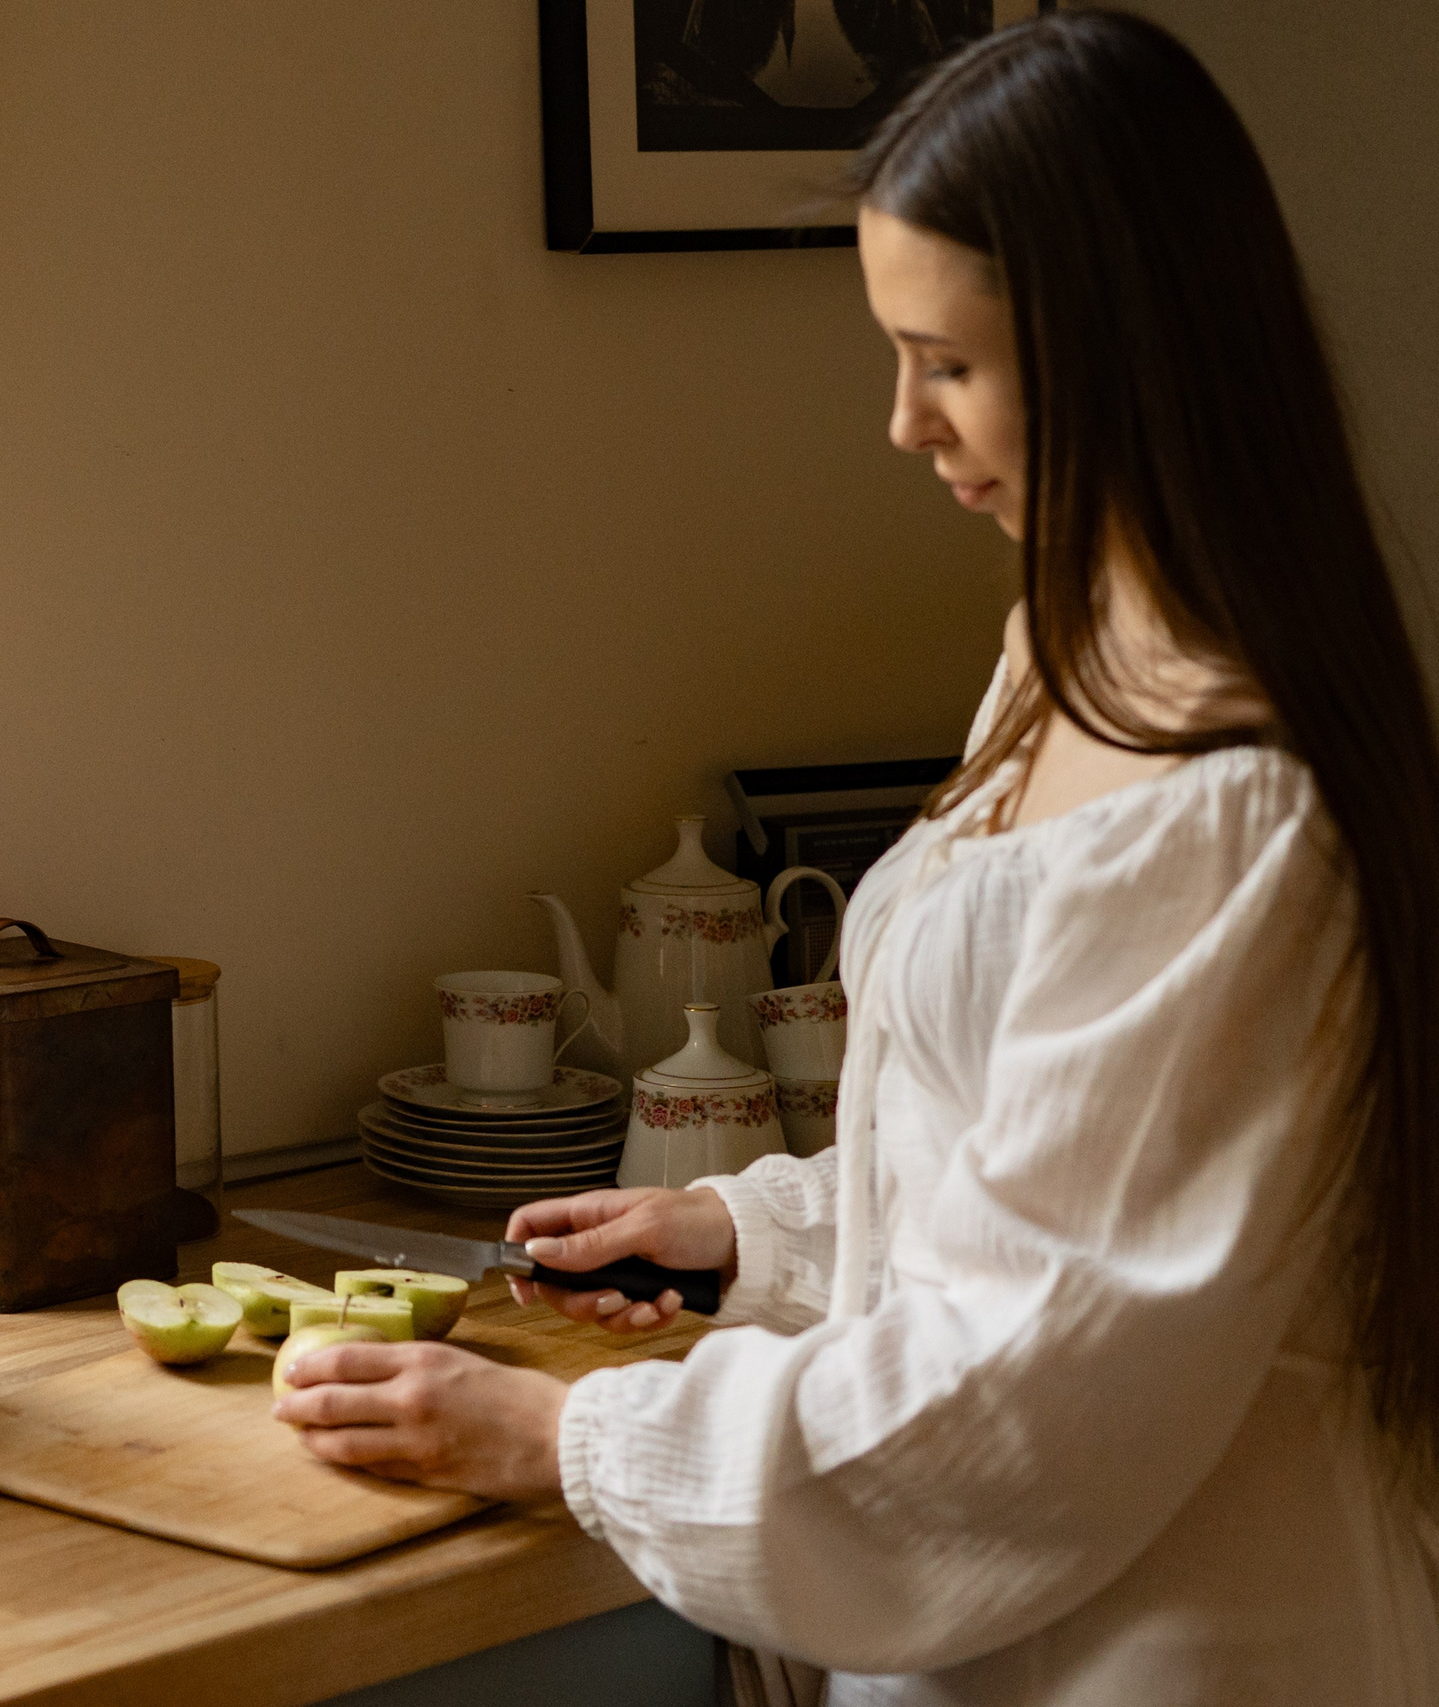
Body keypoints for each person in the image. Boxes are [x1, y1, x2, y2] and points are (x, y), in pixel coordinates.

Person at [273, 13, 1439, 1701]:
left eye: (944, 362)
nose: (902, 422)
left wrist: (568, 1434)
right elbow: (1020, 1161)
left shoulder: (1228, 809)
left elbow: (1036, 1384)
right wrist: (745, 1234)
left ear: (1122, 355)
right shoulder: (1059, 655)